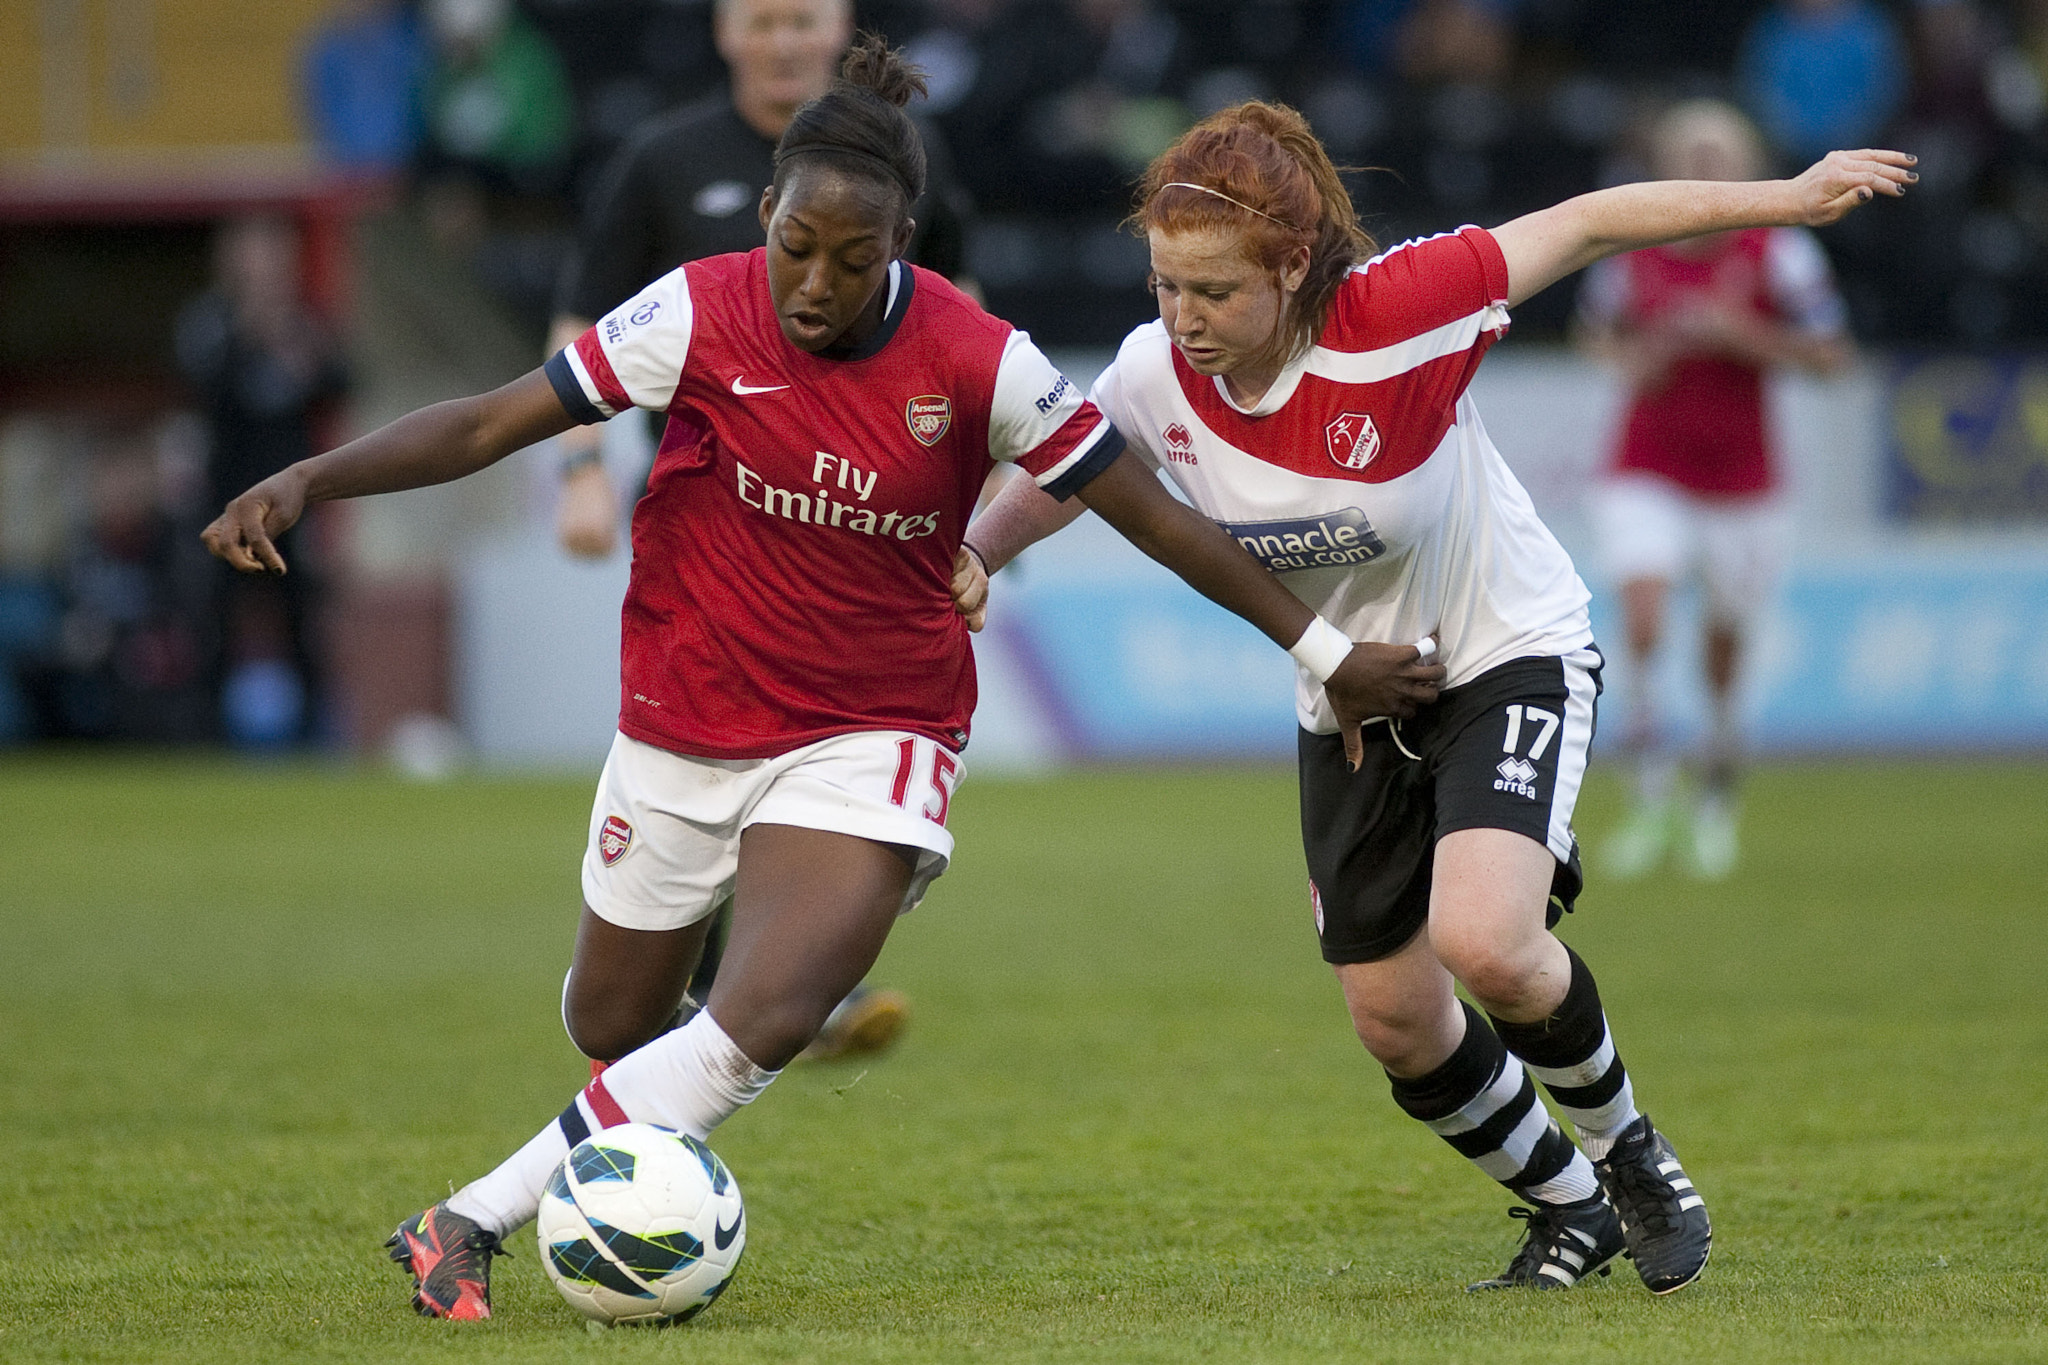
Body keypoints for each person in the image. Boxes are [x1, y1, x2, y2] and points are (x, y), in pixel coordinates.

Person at [203, 40, 1435, 1321]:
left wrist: (1326, 653)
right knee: (615, 1019)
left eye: (853, 259)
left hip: (875, 726)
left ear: (905, 239)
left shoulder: (978, 359)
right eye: (796, 245)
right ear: (767, 215)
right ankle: (655, 1082)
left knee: (764, 1019)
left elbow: (1163, 521)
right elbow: (488, 421)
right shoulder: (693, 309)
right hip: (684, 723)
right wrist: (312, 477)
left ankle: (461, 1223)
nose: (815, 281)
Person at [957, 101, 1910, 1293]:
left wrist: (1786, 194)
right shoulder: (1156, 371)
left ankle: (1630, 1157)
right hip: (1347, 693)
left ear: (1292, 264)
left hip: (1506, 648)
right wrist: (980, 553)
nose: (1180, 320)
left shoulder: (1406, 307)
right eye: (1162, 286)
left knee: (1486, 943)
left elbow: (1593, 220)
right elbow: (1074, 468)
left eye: (1211, 292)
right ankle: (1567, 1205)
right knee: (1394, 1021)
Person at [549, 0, 978, 1061]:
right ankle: (719, 989)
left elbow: (960, 314)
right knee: (712, 750)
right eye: (762, 19)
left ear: (836, 28)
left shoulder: (903, 161)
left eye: (803, 18)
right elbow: (581, 313)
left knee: (832, 739)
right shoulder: (661, 159)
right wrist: (579, 475)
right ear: (723, 32)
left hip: (862, 520)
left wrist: (977, 504)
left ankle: (784, 982)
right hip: (713, 520)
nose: (783, 38)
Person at [1576, 101, 1851, 880]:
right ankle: (1650, 790)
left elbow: (1833, 354)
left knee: (1725, 642)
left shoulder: (1781, 255)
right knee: (1644, 615)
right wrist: (1638, 359)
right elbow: (1599, 335)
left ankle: (1715, 789)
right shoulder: (1632, 251)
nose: (1704, 173)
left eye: (1718, 158)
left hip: (1743, 480)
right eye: (1690, 156)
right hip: (1646, 466)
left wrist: (1744, 337)